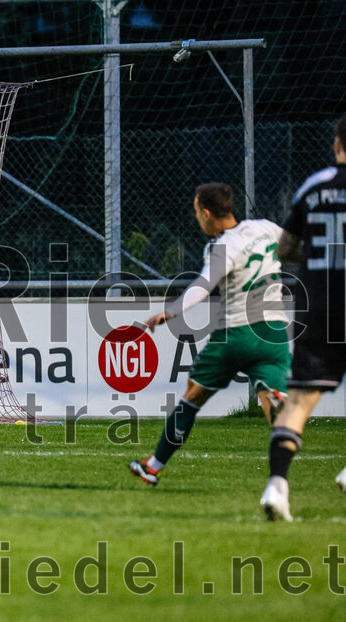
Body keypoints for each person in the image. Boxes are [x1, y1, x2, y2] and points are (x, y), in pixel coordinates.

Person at [130, 182, 291, 485]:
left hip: (237, 333)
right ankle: (279, 481)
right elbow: (296, 248)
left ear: (206, 213)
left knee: (193, 394)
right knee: (274, 407)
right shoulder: (265, 228)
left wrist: (171, 311)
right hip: (274, 333)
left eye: (196, 212)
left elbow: (203, 285)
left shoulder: (222, 247)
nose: (197, 219)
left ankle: (153, 466)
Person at [260, 115, 346, 521]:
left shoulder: (314, 187)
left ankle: (277, 486)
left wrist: (315, 255)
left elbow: (285, 248)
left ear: (337, 145)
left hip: (320, 306)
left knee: (297, 401)